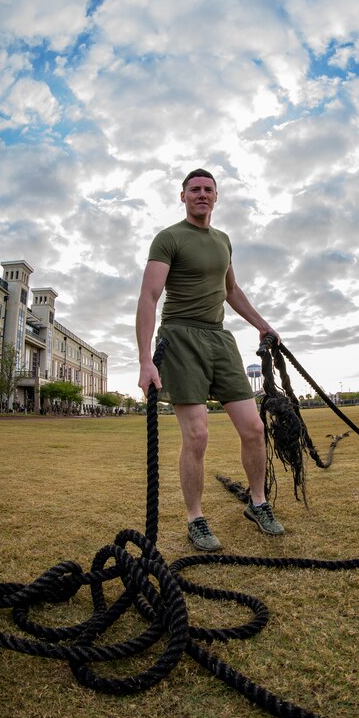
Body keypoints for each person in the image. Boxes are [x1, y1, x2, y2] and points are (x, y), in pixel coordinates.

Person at [136, 168, 284, 552]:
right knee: (197, 434)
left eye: (208, 190)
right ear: (182, 196)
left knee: (253, 428)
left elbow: (231, 291)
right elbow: (149, 297)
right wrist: (144, 360)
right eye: (194, 190)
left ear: (216, 197)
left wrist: (262, 325)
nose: (201, 195)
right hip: (180, 336)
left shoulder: (223, 241)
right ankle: (196, 519)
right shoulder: (169, 238)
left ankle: (258, 503)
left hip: (219, 338)